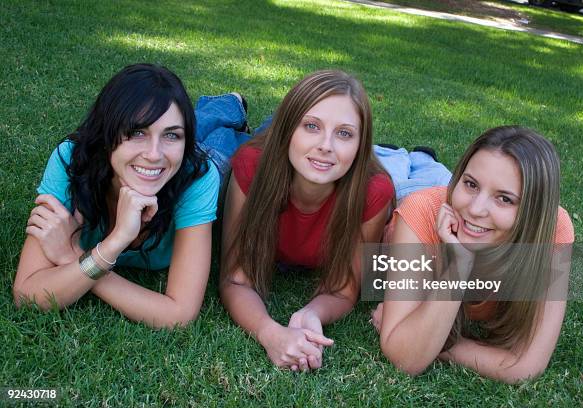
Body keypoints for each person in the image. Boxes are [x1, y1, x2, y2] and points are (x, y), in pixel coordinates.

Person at [13, 63, 220, 329]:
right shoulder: (71, 162)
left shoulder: (198, 177)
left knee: (222, 137)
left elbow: (179, 314)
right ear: (106, 134)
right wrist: (115, 242)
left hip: (215, 157)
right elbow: (27, 295)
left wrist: (74, 255)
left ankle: (228, 105)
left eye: (172, 135)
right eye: (137, 132)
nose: (154, 153)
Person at [220, 70, 395, 372]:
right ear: (288, 128)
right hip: (262, 148)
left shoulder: (374, 192)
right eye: (311, 126)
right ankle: (229, 105)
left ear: (360, 144)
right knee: (217, 143)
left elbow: (345, 288)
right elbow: (235, 278)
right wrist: (269, 332)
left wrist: (313, 313)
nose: (326, 144)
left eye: (344, 133)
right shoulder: (251, 166)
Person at [371, 126, 574, 383]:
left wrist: (442, 343)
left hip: (442, 193)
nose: (477, 209)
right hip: (408, 197)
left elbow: (526, 367)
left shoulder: (553, 229)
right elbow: (405, 359)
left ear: (533, 213)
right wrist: (460, 264)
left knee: (431, 170)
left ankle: (424, 159)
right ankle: (399, 155)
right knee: (392, 174)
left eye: (504, 199)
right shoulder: (420, 212)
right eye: (470, 183)